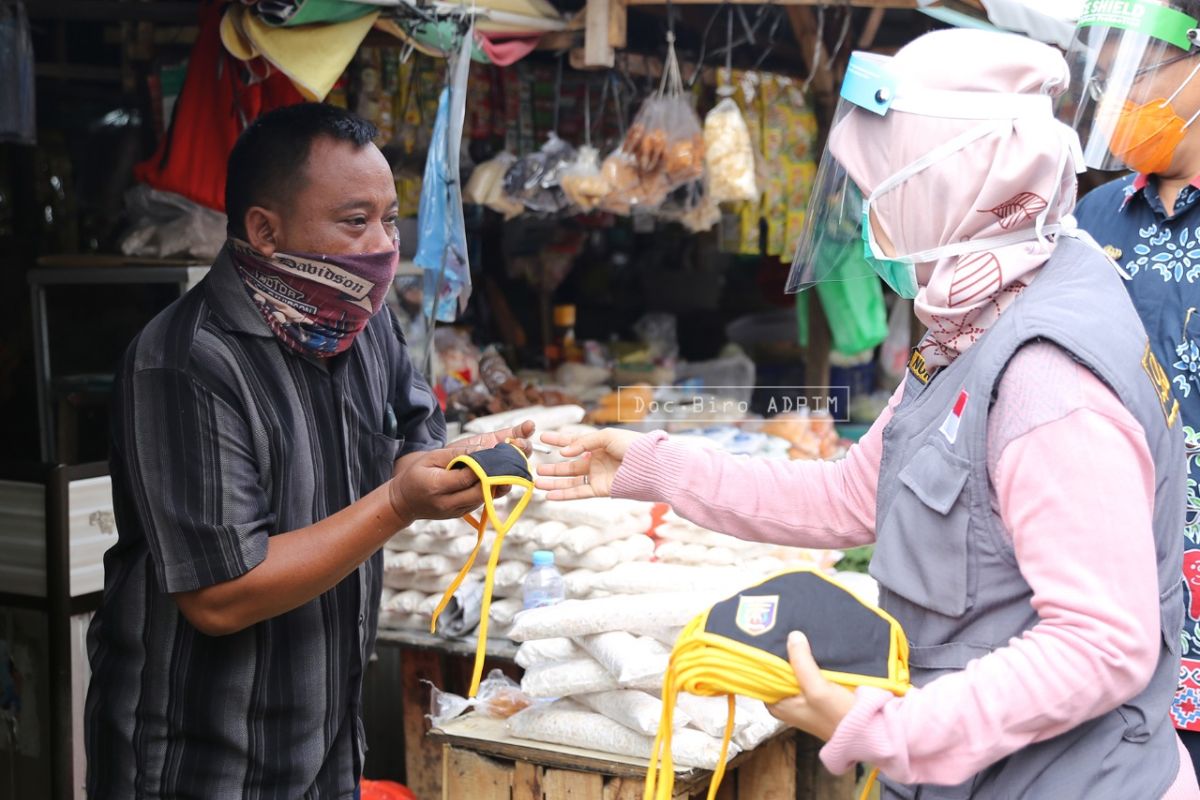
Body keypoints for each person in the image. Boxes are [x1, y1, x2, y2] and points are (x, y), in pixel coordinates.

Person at [538, 29, 1199, 799]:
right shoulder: (989, 309)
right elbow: (851, 495)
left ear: (955, 187)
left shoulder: (1045, 378)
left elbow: (1101, 644)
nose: (865, 219)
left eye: (885, 190)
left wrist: (896, 730)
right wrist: (654, 467)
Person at [84, 103, 530, 798]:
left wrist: (454, 466)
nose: (383, 244)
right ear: (265, 229)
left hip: (326, 746)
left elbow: (411, 439)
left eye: (389, 219)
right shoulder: (186, 363)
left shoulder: (365, 320)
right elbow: (220, 596)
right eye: (355, 221)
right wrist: (398, 503)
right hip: (201, 760)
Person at [1063, 0, 1200, 776]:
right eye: (1106, 80)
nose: (1122, 104)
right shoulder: (1092, 219)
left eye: (1137, 74)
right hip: (1117, 567)